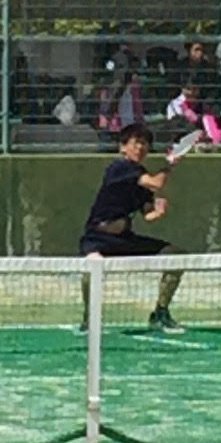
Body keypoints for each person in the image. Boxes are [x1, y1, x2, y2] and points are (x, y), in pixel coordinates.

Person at [79, 125, 184, 331]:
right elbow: (156, 184)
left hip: (125, 240)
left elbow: (148, 215)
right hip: (98, 239)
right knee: (92, 270)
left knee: (176, 255)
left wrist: (158, 211)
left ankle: (160, 312)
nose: (140, 147)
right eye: (135, 143)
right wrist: (169, 166)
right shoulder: (119, 168)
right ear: (123, 148)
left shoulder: (139, 176)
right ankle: (89, 317)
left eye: (144, 143)